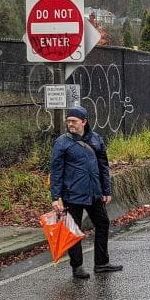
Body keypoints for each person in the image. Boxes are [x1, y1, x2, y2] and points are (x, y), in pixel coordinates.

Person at [50, 106, 123, 279]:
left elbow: (103, 167)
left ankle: (102, 263)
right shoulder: (62, 142)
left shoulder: (96, 139)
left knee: (103, 224)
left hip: (94, 193)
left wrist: (106, 190)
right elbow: (56, 171)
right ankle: (77, 267)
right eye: (68, 121)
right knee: (73, 231)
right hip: (71, 194)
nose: (70, 124)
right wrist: (56, 197)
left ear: (84, 121)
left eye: (74, 121)